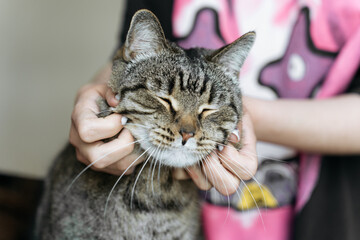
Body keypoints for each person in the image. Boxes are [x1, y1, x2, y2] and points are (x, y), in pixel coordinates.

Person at [69, 0, 360, 239]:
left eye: (204, 112)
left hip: (324, 217)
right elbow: (125, 63)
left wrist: (244, 121)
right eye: (167, 103)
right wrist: (93, 97)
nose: (186, 131)